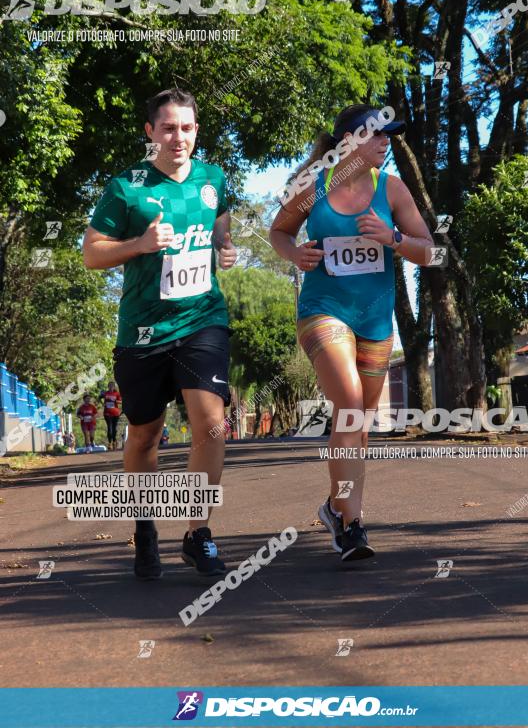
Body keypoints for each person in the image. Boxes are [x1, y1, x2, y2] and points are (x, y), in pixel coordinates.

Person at [82, 88, 237, 580]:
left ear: (197, 131)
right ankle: (145, 524)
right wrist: (140, 244)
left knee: (211, 422)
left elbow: (221, 232)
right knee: (145, 434)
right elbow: (92, 253)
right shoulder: (126, 187)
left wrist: (226, 250)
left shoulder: (214, 179)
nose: (179, 137)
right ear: (150, 132)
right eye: (168, 128)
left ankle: (198, 534)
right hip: (144, 331)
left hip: (203, 319)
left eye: (187, 128)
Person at [270, 104, 434, 562]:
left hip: (376, 319)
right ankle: (351, 525)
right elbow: (279, 232)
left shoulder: (393, 189)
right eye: (379, 135)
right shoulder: (313, 188)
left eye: (390, 136)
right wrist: (293, 254)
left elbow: (432, 254)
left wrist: (394, 239)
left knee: (357, 423)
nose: (387, 143)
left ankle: (334, 506)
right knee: (349, 405)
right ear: (350, 140)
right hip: (323, 311)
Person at [100, 380, 122, 450]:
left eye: (112, 386)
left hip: (115, 413)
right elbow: (99, 397)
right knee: (109, 428)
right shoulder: (105, 393)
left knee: (114, 429)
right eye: (110, 386)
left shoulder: (117, 393)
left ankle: (114, 441)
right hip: (107, 413)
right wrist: (102, 403)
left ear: (114, 387)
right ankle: (109, 443)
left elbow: (121, 401)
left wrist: (115, 401)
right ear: (108, 386)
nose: (111, 387)